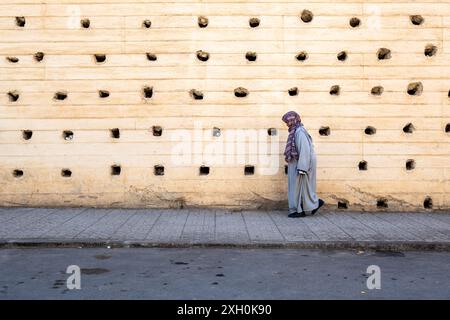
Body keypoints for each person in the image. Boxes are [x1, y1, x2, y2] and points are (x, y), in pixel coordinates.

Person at [282, 111, 324, 218]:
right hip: (299, 163)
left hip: (301, 164)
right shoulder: (295, 131)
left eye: (288, 121)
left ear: (293, 120)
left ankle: (300, 209)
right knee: (301, 188)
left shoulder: (299, 132)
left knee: (298, 187)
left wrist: (302, 168)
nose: (287, 124)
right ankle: (309, 206)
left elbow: (305, 150)